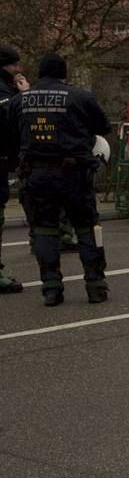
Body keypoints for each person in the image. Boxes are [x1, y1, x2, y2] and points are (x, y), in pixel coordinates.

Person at [8, 53, 112, 306]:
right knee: (88, 228)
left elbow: (12, 135)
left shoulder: (19, 101)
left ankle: (51, 288)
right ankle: (95, 285)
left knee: (44, 230)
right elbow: (104, 127)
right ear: (64, 73)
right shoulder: (80, 97)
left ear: (40, 73)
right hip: (74, 173)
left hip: (36, 175)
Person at [0, 45, 25, 293]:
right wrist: (23, 96)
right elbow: (11, 118)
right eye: (14, 65)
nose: (18, 70)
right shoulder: (5, 92)